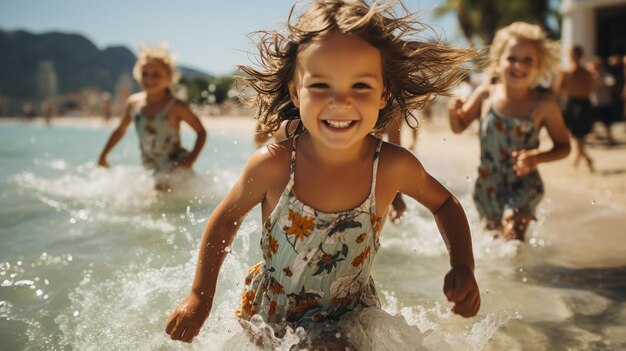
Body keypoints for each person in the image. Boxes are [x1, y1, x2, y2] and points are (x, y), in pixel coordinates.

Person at [165, 0, 480, 346]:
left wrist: (463, 264)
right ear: (294, 91)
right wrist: (200, 296)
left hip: (352, 317)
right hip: (272, 317)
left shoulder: (391, 166)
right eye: (320, 86)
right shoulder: (273, 164)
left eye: (360, 85)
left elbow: (445, 204)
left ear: (383, 94)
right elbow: (225, 220)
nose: (340, 101)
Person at [448, 22, 570, 241]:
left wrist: (537, 157)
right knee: (493, 244)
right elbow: (458, 127)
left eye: (527, 60)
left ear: (538, 65)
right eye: (511, 58)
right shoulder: (485, 95)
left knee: (513, 235)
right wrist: (452, 111)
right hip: (487, 184)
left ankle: (520, 275)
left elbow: (564, 146)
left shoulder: (544, 105)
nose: (518, 66)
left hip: (523, 184)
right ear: (498, 61)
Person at [97, 46, 206, 189]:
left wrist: (190, 160)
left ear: (168, 78)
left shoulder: (176, 106)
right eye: (145, 73)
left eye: (156, 74)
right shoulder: (133, 103)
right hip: (150, 166)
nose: (150, 78)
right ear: (137, 75)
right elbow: (120, 129)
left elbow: (201, 132)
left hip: (175, 167)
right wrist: (103, 155)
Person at [557, 46, 595, 171]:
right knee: (579, 136)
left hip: (573, 103)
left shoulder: (567, 72)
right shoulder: (588, 72)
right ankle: (579, 160)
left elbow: (558, 90)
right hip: (584, 103)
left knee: (576, 136)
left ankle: (583, 159)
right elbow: (591, 89)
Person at [589, 55, 617, 146]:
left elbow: (611, 83)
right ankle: (594, 136)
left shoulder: (605, 74)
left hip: (605, 102)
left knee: (607, 122)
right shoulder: (590, 75)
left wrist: (599, 81)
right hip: (594, 102)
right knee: (592, 121)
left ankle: (609, 138)